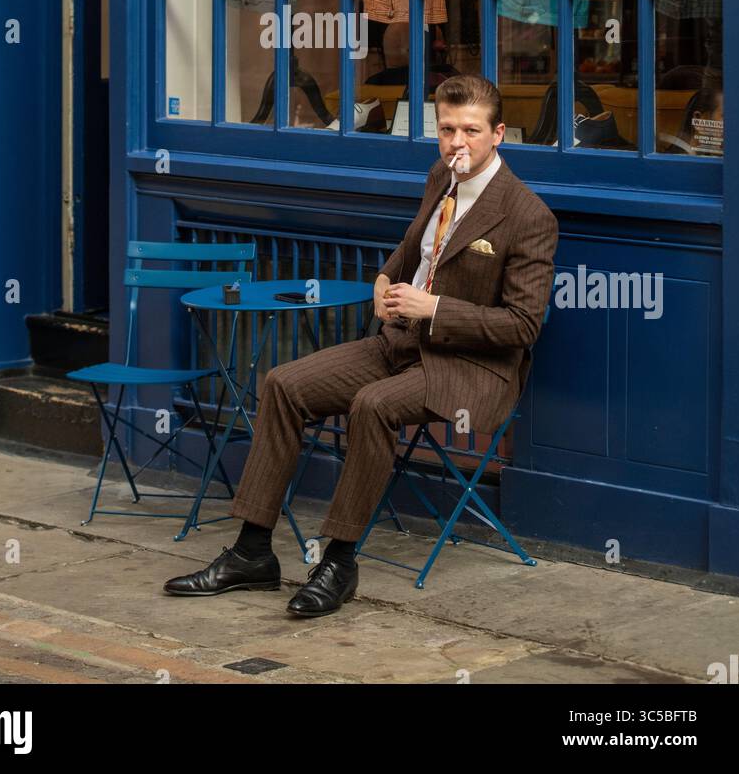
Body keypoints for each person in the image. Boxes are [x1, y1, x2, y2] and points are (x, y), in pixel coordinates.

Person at [162, 74, 559, 616]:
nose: (457, 143)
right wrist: (384, 277)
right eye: (447, 129)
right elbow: (414, 245)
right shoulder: (440, 177)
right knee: (283, 385)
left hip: (468, 366)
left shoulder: (527, 214)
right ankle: (253, 552)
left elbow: (521, 326)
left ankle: (339, 561)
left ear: (499, 134)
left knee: (372, 406)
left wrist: (435, 309)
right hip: (398, 345)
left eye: (471, 130)